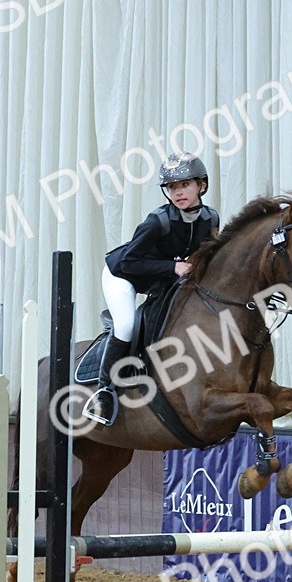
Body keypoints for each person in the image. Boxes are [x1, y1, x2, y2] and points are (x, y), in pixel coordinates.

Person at [83, 153, 220, 425]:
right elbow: (130, 261)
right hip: (123, 275)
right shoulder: (158, 221)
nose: (178, 192)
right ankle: (104, 392)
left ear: (201, 186)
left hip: (161, 278)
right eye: (172, 187)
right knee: (125, 325)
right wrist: (172, 267)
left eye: (185, 185)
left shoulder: (210, 218)